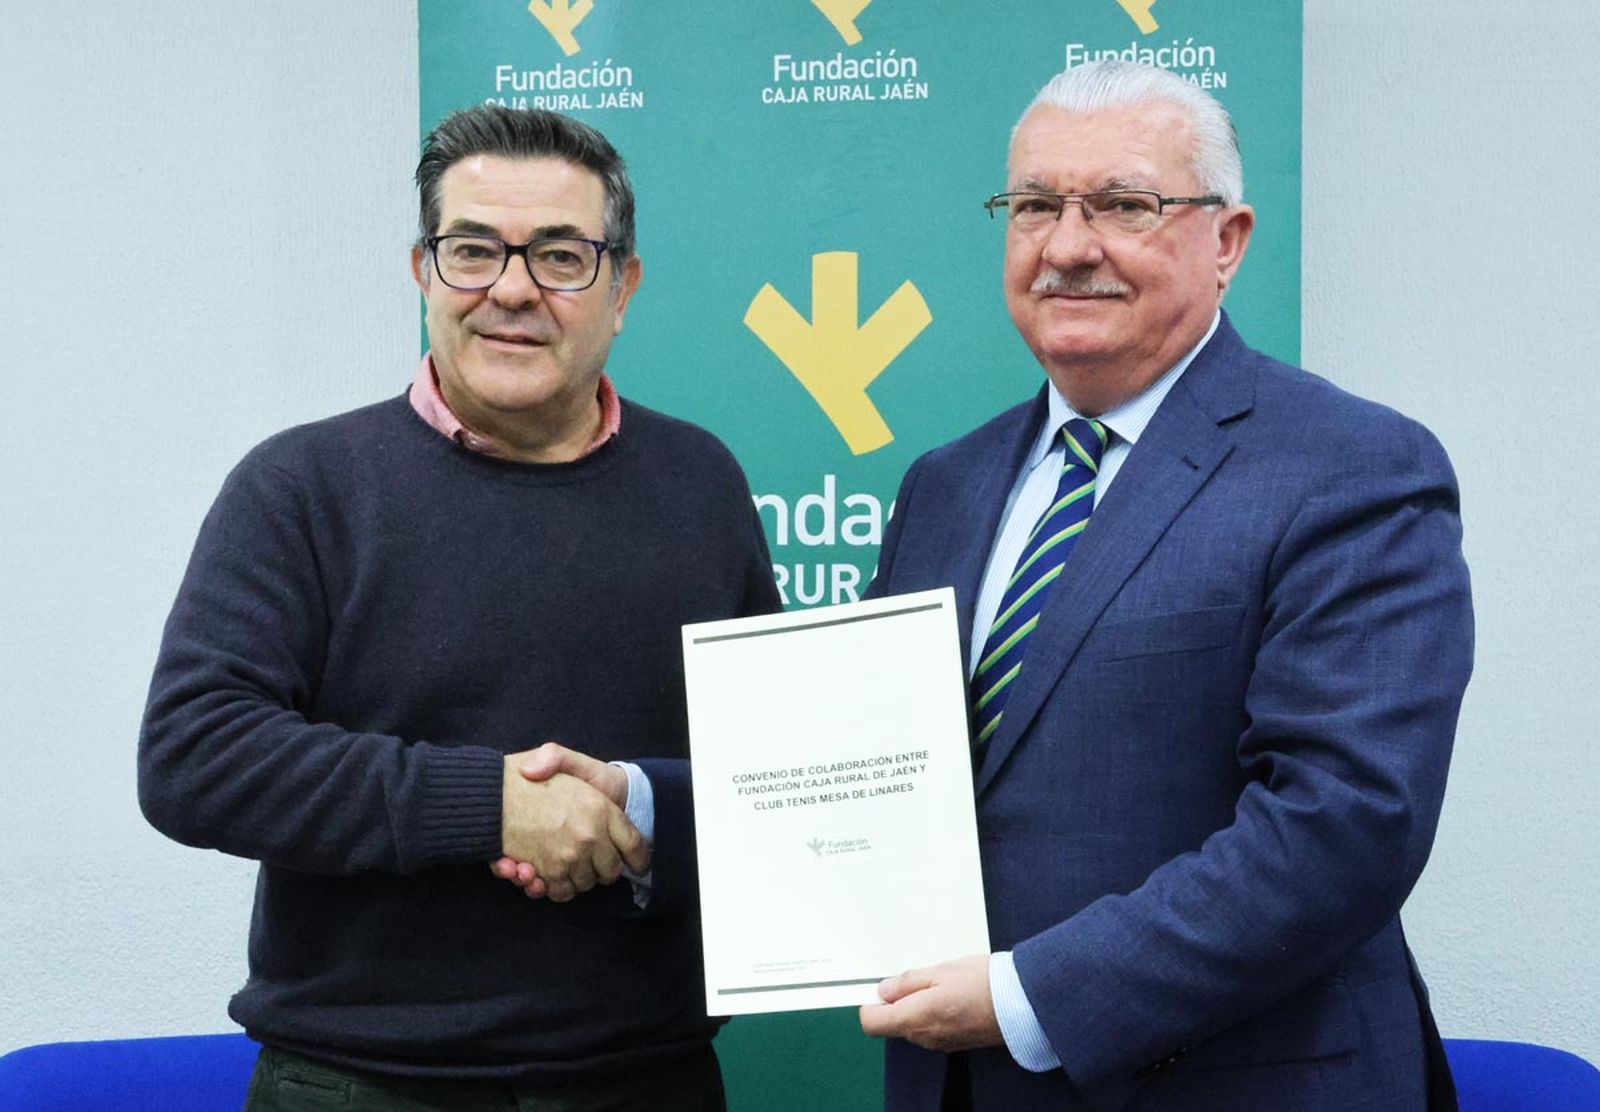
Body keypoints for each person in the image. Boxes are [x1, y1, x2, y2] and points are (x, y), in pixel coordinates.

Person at [858, 61, 1471, 1112]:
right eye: (1035, 205)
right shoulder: (942, 486)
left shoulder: (1352, 466)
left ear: (1226, 241)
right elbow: (864, 769)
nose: (1066, 245)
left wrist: (1029, 998)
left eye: (1123, 204)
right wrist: (645, 810)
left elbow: (1344, 824)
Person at [139, 106, 779, 1111]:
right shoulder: (301, 487)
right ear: (423, 272)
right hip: (359, 1084)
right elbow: (195, 758)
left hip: (647, 1080)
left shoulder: (701, 483)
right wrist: (494, 805)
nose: (512, 289)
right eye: (473, 250)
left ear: (622, 288)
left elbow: (775, 776)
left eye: (560, 256)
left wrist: (635, 809)